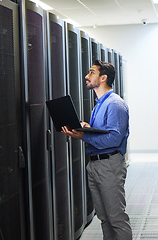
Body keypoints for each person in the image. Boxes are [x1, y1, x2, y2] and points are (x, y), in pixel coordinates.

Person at [61, 60, 132, 240]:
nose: (86, 76)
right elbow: (103, 132)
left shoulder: (115, 104)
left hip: (109, 165)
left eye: (91, 72)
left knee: (116, 218)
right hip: (95, 164)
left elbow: (114, 138)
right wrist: (86, 127)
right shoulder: (99, 104)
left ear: (103, 78)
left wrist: (83, 136)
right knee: (104, 219)